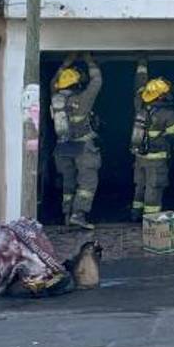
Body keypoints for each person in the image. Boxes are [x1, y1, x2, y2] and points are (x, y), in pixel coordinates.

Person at [50, 53, 102, 230]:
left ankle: (67, 214)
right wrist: (89, 60)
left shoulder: (55, 97)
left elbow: (53, 81)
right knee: (87, 181)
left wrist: (67, 62)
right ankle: (78, 214)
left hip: (63, 145)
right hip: (82, 145)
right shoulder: (82, 100)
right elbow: (97, 81)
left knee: (69, 181)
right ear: (76, 84)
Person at [130, 60, 174, 222]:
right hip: (157, 159)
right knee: (154, 188)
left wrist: (141, 64)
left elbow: (139, 85)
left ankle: (135, 214)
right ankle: (150, 220)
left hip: (140, 157)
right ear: (161, 95)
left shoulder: (139, 104)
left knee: (140, 186)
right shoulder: (168, 114)